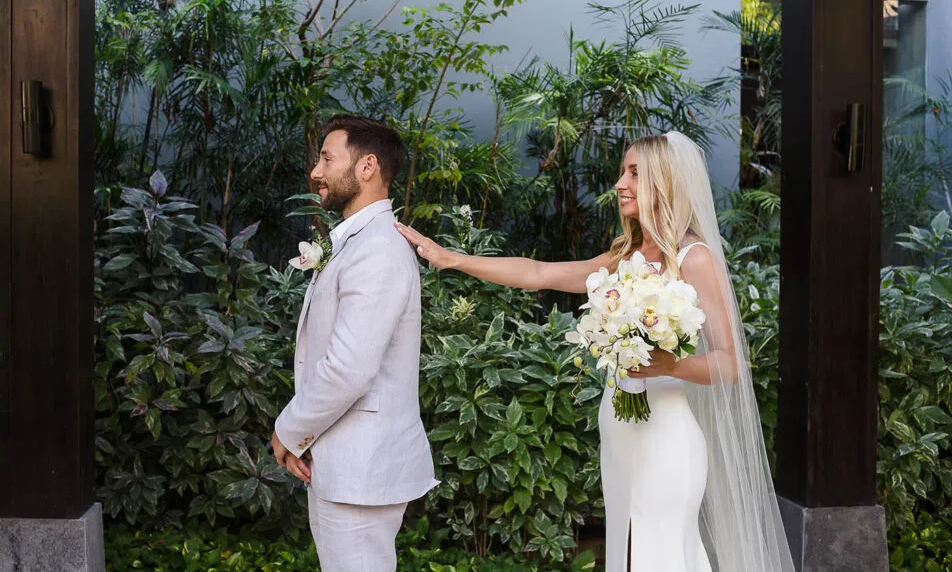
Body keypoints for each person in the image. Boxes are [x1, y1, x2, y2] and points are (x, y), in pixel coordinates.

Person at [395, 132, 795, 572]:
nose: (620, 183)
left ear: (665, 182)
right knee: (627, 555)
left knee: (661, 556)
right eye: (623, 172)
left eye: (635, 173)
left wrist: (670, 364)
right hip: (620, 432)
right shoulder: (624, 257)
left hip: (667, 439)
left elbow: (729, 363)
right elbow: (538, 273)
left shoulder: (694, 258)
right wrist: (453, 259)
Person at [273, 114, 438, 572]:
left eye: (327, 159)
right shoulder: (358, 242)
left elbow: (348, 368)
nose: (316, 171)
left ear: (367, 167)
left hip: (362, 471)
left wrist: (289, 430)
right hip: (345, 464)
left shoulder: (377, 249)